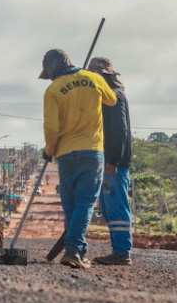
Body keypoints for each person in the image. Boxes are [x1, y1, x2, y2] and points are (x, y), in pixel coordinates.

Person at [39, 48, 117, 270]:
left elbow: (52, 126)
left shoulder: (52, 89)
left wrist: (49, 149)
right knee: (85, 203)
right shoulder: (93, 78)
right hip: (92, 152)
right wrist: (93, 82)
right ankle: (73, 250)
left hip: (65, 154)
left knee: (71, 204)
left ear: (51, 69)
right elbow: (111, 100)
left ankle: (78, 251)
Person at [87, 56, 133, 266]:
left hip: (114, 165)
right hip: (107, 162)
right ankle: (119, 250)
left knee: (116, 206)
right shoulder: (105, 96)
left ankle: (123, 252)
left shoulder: (115, 96)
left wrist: (112, 160)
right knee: (108, 207)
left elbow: (120, 130)